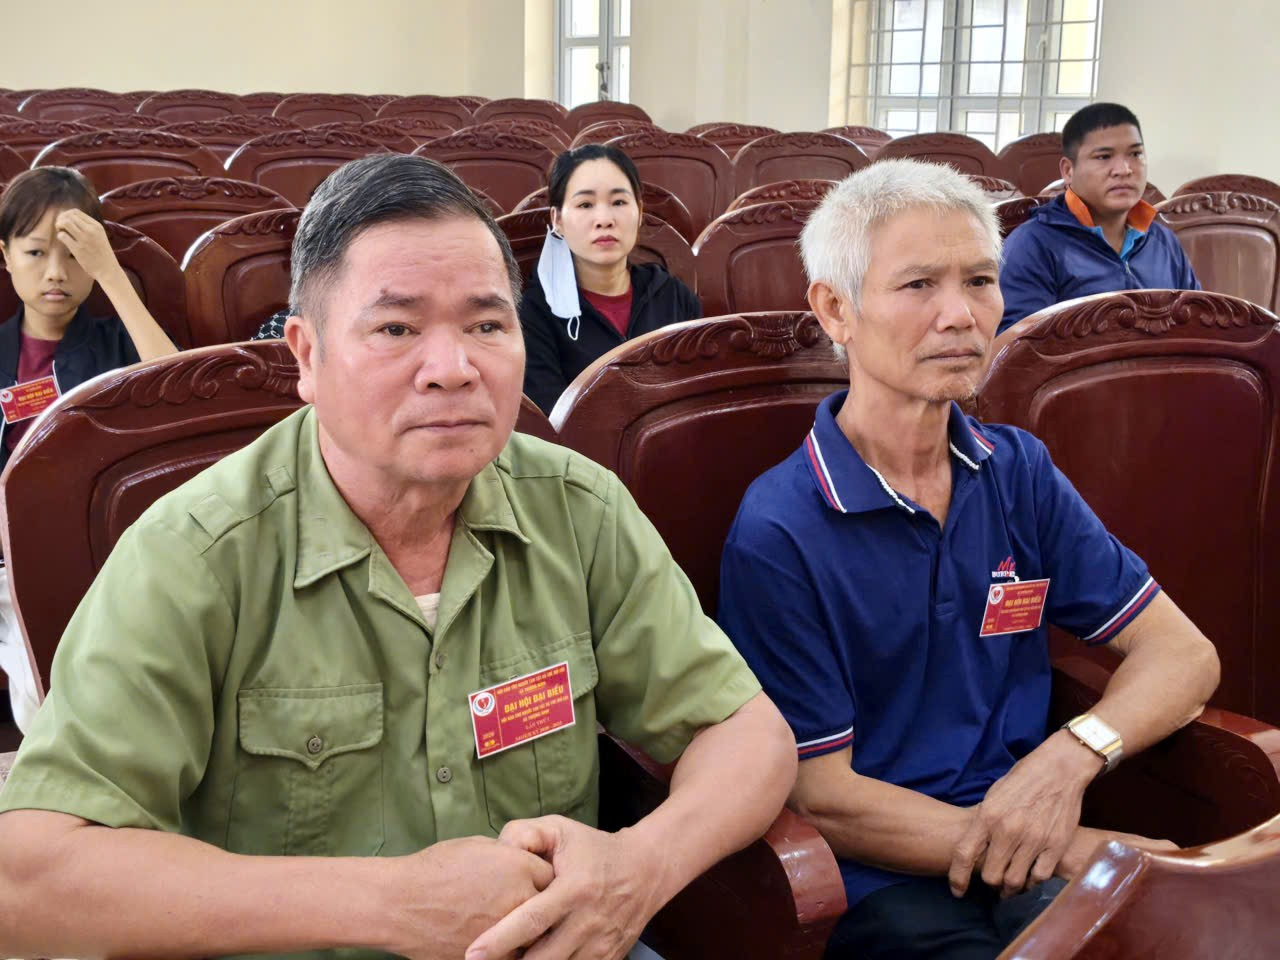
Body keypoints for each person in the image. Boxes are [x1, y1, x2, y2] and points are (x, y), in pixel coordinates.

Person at [0, 154, 797, 960]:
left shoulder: (577, 509)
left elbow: (747, 734)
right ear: (306, 355)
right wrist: (386, 905)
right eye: (396, 329)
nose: (454, 370)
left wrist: (638, 869)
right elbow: (29, 879)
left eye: (487, 326)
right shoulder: (194, 555)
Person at [717, 158, 1220, 960]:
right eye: (919, 285)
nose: (960, 316)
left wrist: (1069, 758)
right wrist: (1066, 849)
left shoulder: (1017, 470)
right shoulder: (782, 526)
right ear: (836, 309)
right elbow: (824, 794)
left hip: (1032, 832)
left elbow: (1184, 654)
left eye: (981, 281)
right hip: (887, 879)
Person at [0, 166, 178, 731]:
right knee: (39, 666)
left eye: (75, 255)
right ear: (5, 256)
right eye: (35, 253)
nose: (56, 273)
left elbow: (182, 389)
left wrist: (111, 275)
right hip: (9, 553)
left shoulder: (114, 343)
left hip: (101, 544)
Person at [520, 144, 701, 414]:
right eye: (585, 204)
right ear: (557, 220)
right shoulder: (533, 314)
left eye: (618, 202)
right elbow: (551, 422)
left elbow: (696, 398)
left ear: (639, 211)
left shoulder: (675, 297)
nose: (604, 220)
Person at [998, 103, 1199, 333]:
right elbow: (1017, 347)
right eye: (1104, 157)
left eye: (1135, 154)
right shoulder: (1033, 244)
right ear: (1068, 171)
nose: (1124, 169)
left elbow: (1197, 327)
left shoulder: (1163, 241)